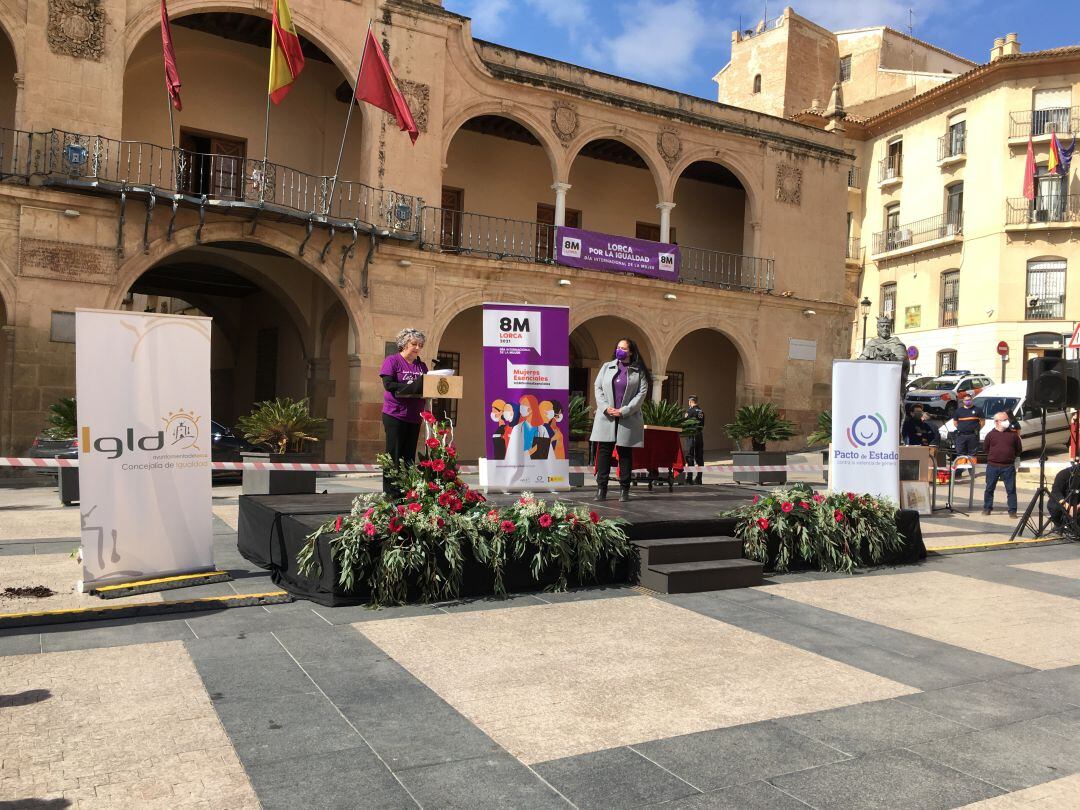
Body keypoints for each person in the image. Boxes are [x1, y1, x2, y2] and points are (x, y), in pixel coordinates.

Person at [590, 338, 649, 501]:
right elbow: (598, 387)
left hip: (627, 417)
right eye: (618, 347)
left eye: (623, 348)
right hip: (606, 416)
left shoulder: (639, 371)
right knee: (604, 452)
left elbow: (641, 394)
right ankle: (601, 489)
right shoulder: (606, 367)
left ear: (630, 351)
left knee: (625, 453)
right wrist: (605, 407)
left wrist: (624, 410)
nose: (619, 351)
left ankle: (624, 489)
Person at [379, 327, 428, 496]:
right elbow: (389, 385)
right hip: (395, 414)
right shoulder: (392, 361)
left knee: (408, 456)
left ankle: (406, 491)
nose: (417, 348)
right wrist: (410, 387)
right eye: (414, 344)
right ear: (403, 344)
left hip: (414, 416)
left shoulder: (421, 366)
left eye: (420, 345)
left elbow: (427, 386)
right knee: (394, 454)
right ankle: (391, 493)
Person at [983, 410, 1022, 516]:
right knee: (989, 488)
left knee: (1011, 490)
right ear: (997, 422)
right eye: (1004, 420)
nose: (1007, 421)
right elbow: (986, 449)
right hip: (993, 466)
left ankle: (1012, 511)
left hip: (1008, 466)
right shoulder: (990, 435)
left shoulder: (1013, 435)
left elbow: (1019, 449)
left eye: (1007, 419)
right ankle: (987, 508)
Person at [951, 392, 983, 476]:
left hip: (973, 435)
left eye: (969, 400)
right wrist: (962, 428)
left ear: (971, 400)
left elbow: (982, 422)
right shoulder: (958, 411)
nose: (968, 401)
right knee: (960, 453)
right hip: (961, 435)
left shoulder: (977, 410)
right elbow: (955, 422)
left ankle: (971, 471)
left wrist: (977, 429)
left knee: (972, 454)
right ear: (963, 401)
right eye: (966, 400)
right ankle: (959, 471)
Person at [682, 395, 705, 485]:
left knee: (689, 456)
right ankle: (699, 478)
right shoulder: (701, 412)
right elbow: (702, 425)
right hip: (699, 435)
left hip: (691, 435)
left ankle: (689, 478)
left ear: (690, 402)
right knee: (699, 456)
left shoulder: (690, 411)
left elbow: (685, 423)